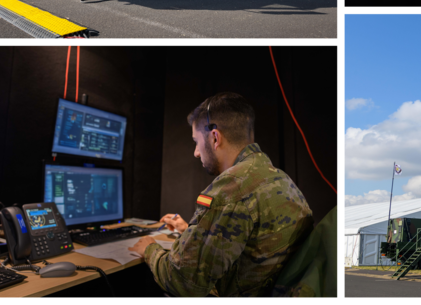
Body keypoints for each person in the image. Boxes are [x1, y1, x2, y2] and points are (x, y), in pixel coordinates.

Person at [129, 92, 314, 299]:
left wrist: (150, 250)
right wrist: (190, 231)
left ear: (215, 138)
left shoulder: (231, 189)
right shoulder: (279, 178)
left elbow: (183, 282)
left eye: (196, 142)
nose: (196, 153)